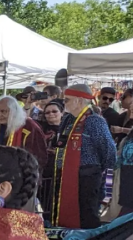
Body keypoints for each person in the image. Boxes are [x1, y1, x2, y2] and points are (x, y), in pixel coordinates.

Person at [47, 83, 117, 229]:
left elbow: (108, 150)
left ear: (79, 100)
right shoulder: (67, 120)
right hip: (65, 174)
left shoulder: (94, 121)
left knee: (86, 214)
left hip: (87, 176)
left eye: (67, 100)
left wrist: (99, 171)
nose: (63, 103)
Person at [0, 95, 48, 171]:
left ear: (14, 111)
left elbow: (39, 156)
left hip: (21, 174)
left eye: (3, 111)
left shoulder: (29, 127)